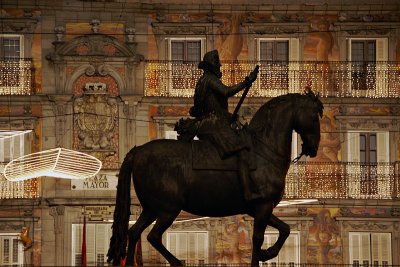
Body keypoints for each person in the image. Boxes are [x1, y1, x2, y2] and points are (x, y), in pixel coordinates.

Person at [189, 49, 260, 201]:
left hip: (210, 122)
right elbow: (226, 92)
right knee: (242, 150)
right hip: (215, 124)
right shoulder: (210, 79)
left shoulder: (203, 81)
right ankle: (247, 191)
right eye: (217, 64)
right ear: (211, 66)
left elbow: (197, 108)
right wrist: (247, 81)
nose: (220, 66)